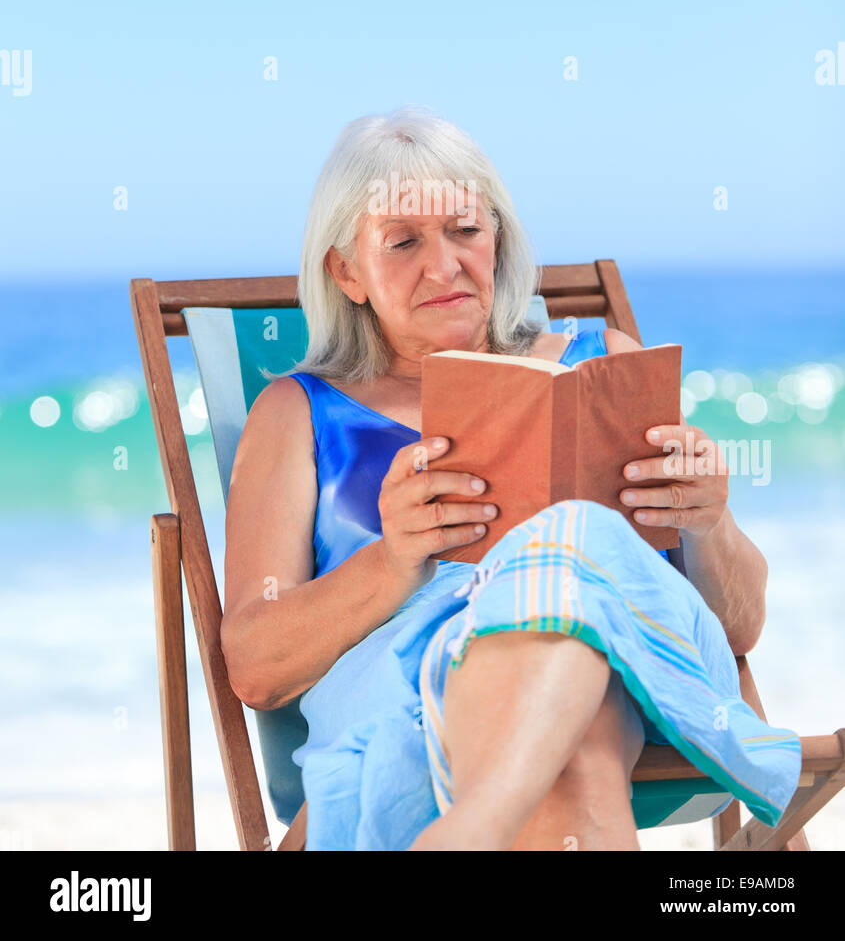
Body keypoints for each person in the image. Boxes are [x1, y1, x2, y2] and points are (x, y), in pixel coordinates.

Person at [220, 105, 801, 851]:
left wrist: (708, 521)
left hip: (631, 671)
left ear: (496, 236)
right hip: (420, 697)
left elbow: (738, 629)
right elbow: (257, 669)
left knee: (575, 551)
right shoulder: (299, 413)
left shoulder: (599, 366)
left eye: (465, 230)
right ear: (346, 272)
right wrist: (394, 560)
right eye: (402, 242)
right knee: (577, 750)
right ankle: (486, 816)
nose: (444, 265)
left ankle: (478, 820)